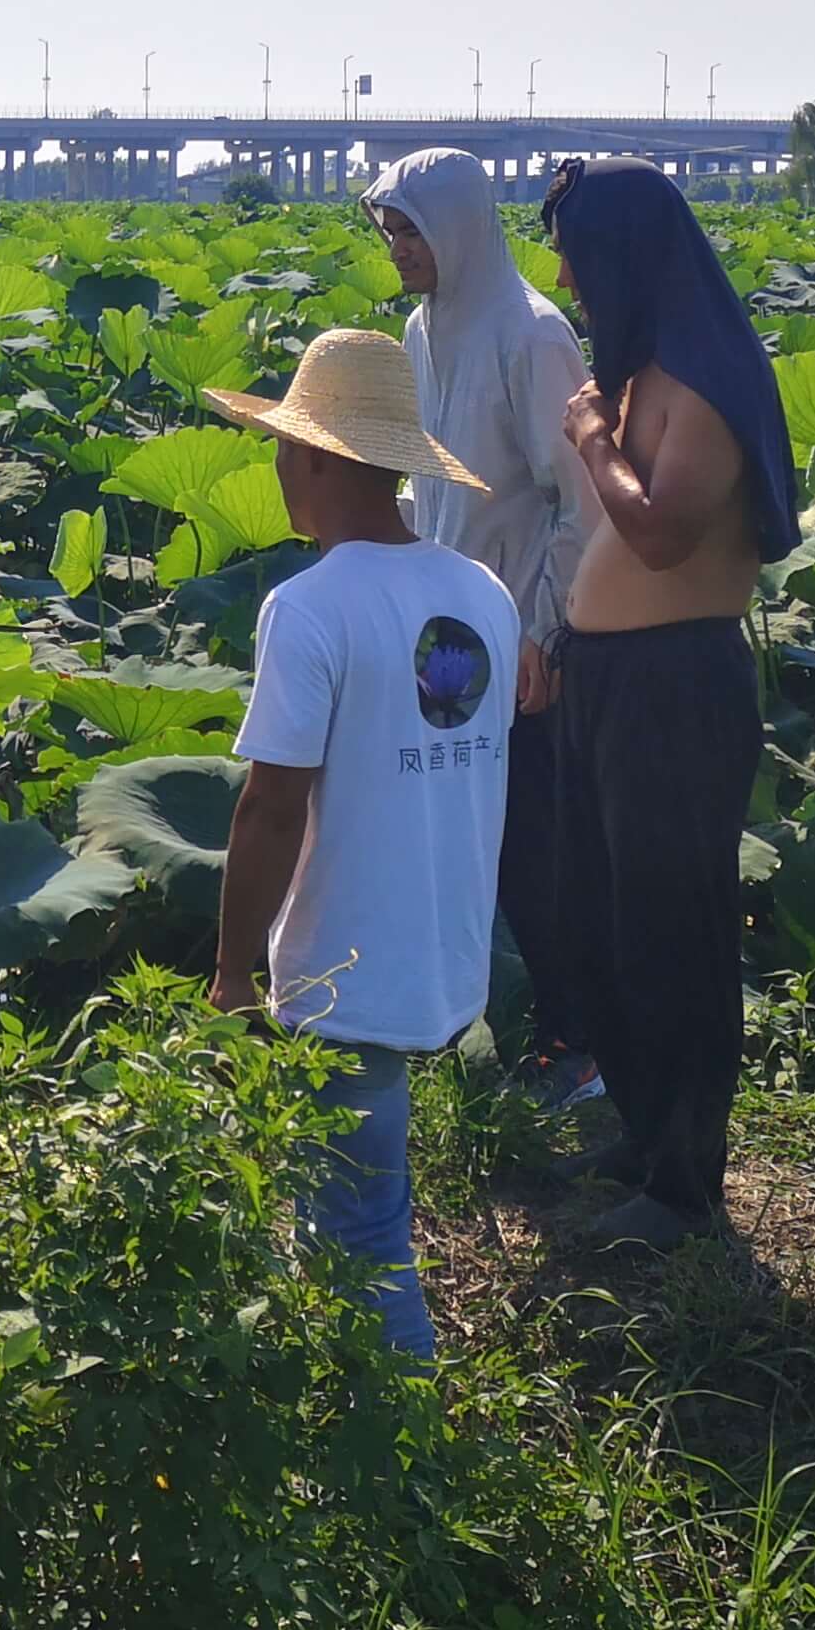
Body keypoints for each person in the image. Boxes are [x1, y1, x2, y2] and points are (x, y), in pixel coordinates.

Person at [204, 327, 513, 1361]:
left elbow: (270, 809)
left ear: (319, 461)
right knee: (346, 1205)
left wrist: (231, 971)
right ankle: (344, 1407)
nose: (278, 467)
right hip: (443, 947)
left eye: (283, 447)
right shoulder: (482, 595)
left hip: (343, 962)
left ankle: (399, 1462)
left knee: (363, 1234)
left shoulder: (307, 607)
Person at [538, 156, 802, 1250]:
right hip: (605, 681)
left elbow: (658, 532)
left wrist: (593, 441)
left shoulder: (701, 380)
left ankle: (686, 1186)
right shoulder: (647, 367)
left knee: (671, 935)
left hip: (672, 690)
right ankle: (643, 1137)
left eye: (576, 255)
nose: (564, 274)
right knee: (596, 923)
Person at [361, 148, 597, 1103]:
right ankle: (467, 1029)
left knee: (536, 849)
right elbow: (426, 483)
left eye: (411, 230)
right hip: (446, 635)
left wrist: (544, 629)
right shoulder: (423, 329)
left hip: (522, 634)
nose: (399, 249)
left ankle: (576, 1044)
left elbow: (578, 502)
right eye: (389, 231)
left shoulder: (532, 336)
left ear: (457, 227)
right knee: (461, 840)